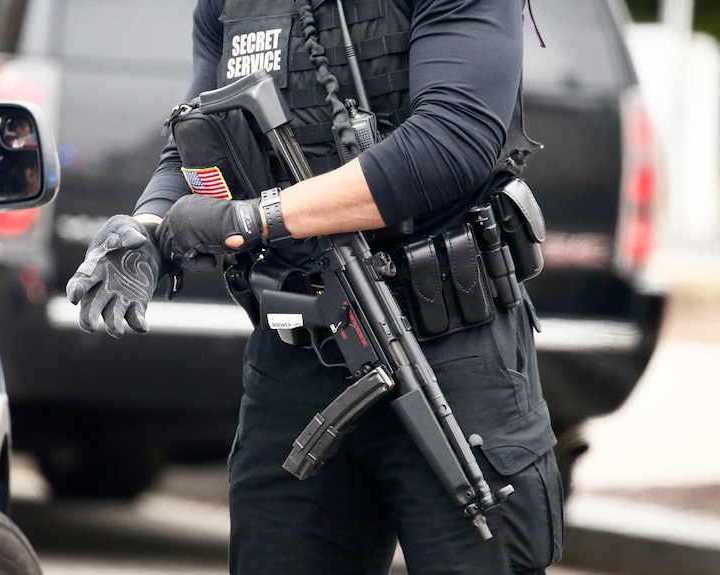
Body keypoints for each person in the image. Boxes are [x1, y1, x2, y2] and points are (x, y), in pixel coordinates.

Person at [67, 0, 563, 573]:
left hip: (451, 352)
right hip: (300, 353)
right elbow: (198, 144)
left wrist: (254, 219)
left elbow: (451, 140)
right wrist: (150, 228)